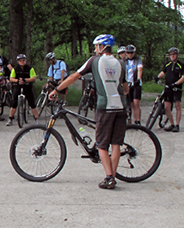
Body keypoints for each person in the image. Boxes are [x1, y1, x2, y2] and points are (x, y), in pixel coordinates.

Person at [49, 34, 128, 189]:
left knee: (102, 145)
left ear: (102, 47)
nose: (94, 49)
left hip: (105, 107)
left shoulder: (94, 61)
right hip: (120, 106)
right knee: (116, 144)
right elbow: (125, 88)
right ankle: (112, 175)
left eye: (96, 46)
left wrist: (57, 89)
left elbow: (74, 76)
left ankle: (109, 177)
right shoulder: (120, 63)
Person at [157, 47, 184, 132]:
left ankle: (177, 125)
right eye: (171, 55)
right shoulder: (167, 64)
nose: (172, 56)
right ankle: (172, 124)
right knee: (167, 107)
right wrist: (158, 77)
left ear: (177, 55)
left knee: (177, 106)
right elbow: (163, 72)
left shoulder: (181, 65)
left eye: (174, 54)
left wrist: (176, 83)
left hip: (176, 88)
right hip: (168, 87)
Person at [7, 54, 40, 126]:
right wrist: (18, 81)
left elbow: (34, 78)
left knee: (32, 103)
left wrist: (25, 80)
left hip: (28, 86)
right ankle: (10, 118)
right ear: (18, 61)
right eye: (21, 60)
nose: (22, 62)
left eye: (24, 60)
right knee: (14, 102)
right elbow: (11, 78)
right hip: (18, 86)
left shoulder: (30, 68)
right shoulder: (15, 69)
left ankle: (36, 118)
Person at [124, 45, 143, 124]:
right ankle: (135, 120)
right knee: (131, 104)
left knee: (136, 102)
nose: (130, 54)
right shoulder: (124, 61)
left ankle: (138, 120)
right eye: (128, 53)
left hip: (136, 84)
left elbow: (140, 69)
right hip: (128, 84)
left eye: (131, 53)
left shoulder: (138, 60)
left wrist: (138, 78)